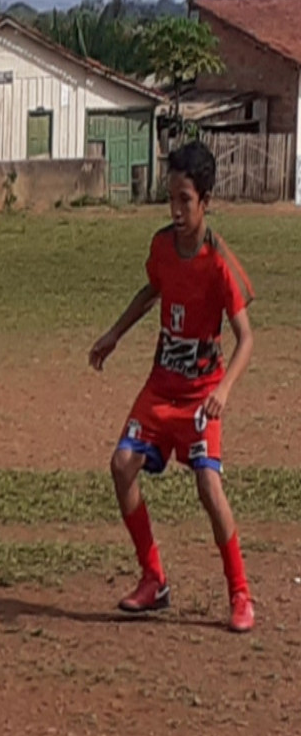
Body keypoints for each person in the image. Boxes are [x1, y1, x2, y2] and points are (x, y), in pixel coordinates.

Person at [89, 140, 255, 633]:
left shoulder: (219, 261)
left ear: (205, 200)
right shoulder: (163, 246)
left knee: (209, 486)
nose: (176, 210)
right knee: (122, 465)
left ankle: (241, 592)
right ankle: (154, 579)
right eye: (171, 199)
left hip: (201, 395)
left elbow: (247, 338)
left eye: (185, 200)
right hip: (161, 389)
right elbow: (153, 288)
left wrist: (223, 390)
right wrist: (114, 334)